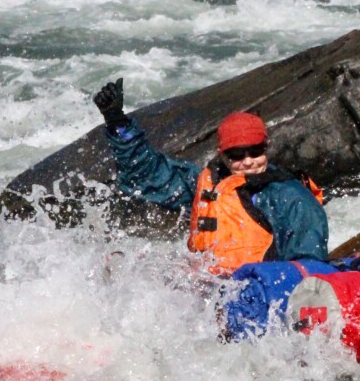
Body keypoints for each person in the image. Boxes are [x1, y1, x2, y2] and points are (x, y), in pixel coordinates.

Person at [93, 78, 329, 274]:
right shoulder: (208, 183)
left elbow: (307, 264)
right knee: (128, 266)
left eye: (255, 151)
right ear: (222, 155)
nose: (247, 161)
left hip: (257, 292)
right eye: (236, 155)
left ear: (266, 147)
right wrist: (117, 122)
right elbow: (147, 173)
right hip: (211, 287)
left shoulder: (290, 196)